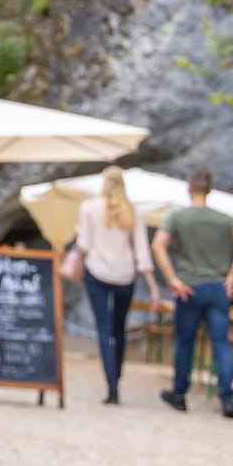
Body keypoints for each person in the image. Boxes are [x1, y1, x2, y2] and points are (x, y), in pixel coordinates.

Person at [153, 169, 233, 418]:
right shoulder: (223, 219)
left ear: (189, 188)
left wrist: (172, 279)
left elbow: (158, 245)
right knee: (221, 343)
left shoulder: (179, 217)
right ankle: (227, 399)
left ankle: (179, 394)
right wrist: (232, 275)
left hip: (189, 287)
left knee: (185, 342)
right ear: (210, 190)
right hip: (218, 288)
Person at [74, 166, 159, 404]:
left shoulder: (89, 208)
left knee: (103, 327)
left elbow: (83, 243)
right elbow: (142, 252)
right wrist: (152, 286)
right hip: (125, 275)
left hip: (97, 271)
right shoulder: (133, 212)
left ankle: (111, 384)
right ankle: (117, 378)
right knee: (118, 328)